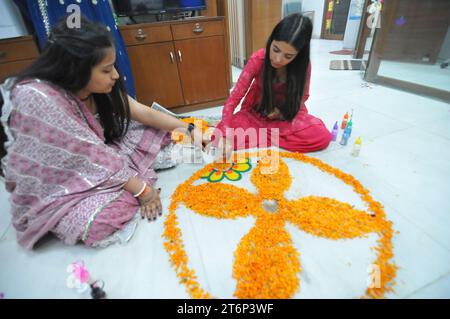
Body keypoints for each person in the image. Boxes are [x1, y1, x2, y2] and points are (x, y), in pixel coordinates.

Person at [0, 16, 207, 249]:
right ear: (76, 69)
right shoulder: (41, 99)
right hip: (63, 180)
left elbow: (142, 113)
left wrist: (190, 130)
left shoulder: (97, 86)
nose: (116, 76)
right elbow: (89, 157)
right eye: (107, 70)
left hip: (99, 156)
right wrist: (144, 191)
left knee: (158, 136)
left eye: (113, 67)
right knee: (103, 220)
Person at [215, 13, 331, 152]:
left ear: (299, 55)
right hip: (256, 112)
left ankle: (263, 136)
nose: (277, 59)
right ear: (271, 41)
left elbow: (303, 96)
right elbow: (234, 98)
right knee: (219, 134)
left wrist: (281, 113)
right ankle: (277, 137)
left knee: (321, 136)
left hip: (287, 114)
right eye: (275, 49)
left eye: (288, 56)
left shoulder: (303, 66)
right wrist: (226, 133)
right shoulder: (258, 59)